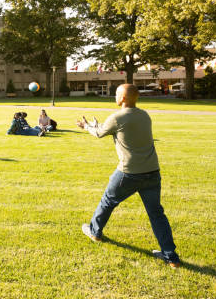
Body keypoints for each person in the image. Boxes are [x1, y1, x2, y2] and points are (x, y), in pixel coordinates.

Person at [76, 84, 181, 268]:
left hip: (129, 172)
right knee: (157, 215)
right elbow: (120, 130)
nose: (114, 97)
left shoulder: (117, 117)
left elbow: (101, 133)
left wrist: (87, 126)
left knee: (108, 201)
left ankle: (94, 232)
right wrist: (97, 125)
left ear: (123, 98)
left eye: (116, 94)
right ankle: (171, 257)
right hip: (152, 172)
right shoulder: (144, 115)